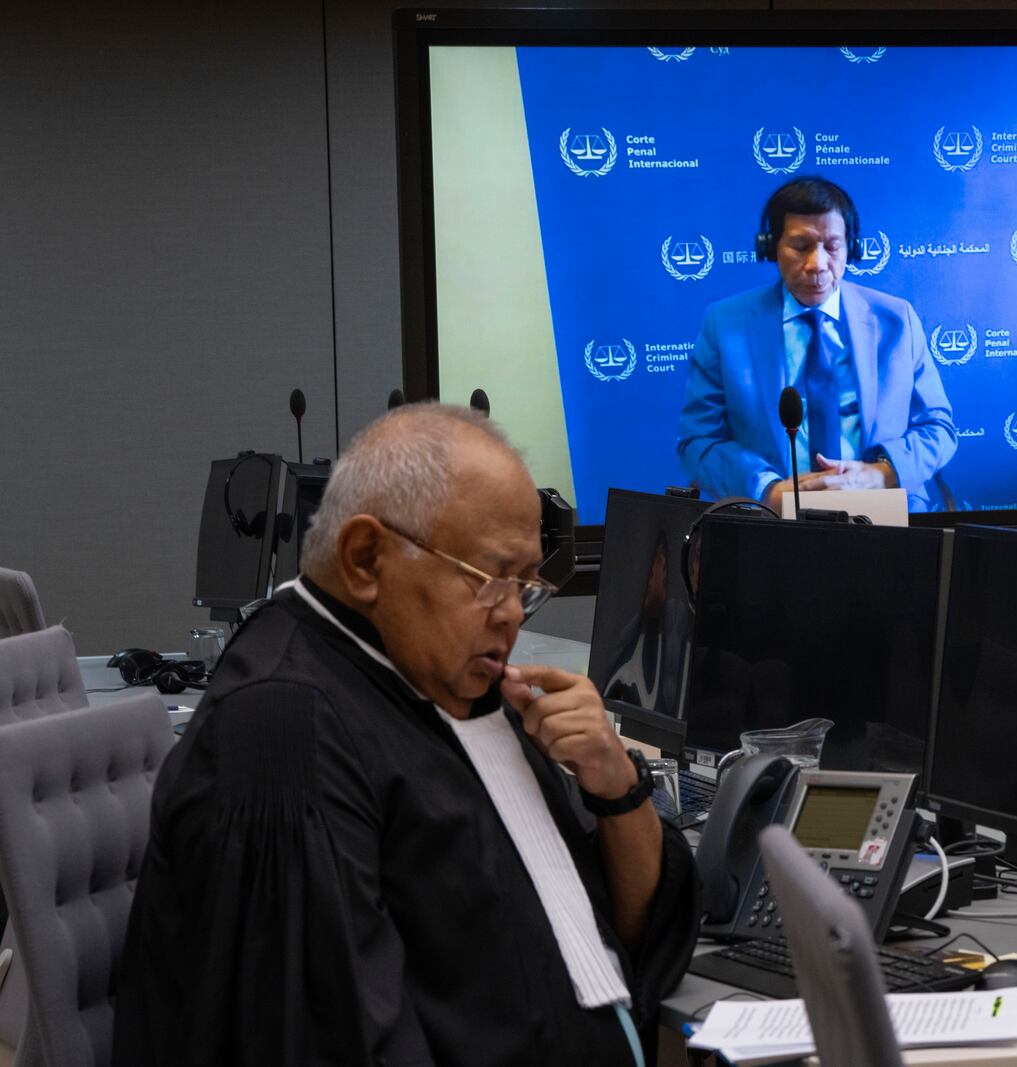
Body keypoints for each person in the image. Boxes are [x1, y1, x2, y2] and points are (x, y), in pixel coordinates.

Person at [115, 405, 698, 1067]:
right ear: (366, 558)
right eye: (486, 580)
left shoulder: (455, 678)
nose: (510, 613)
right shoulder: (285, 730)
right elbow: (324, 1038)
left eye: (525, 583)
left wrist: (617, 786)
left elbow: (625, 931)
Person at [677, 177, 957, 512]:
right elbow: (698, 441)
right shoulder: (724, 325)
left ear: (851, 248)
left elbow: (938, 428)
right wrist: (767, 491)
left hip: (885, 515)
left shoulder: (897, 321)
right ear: (770, 247)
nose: (817, 265)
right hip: (771, 521)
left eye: (832, 246)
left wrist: (882, 475)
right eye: (800, 246)